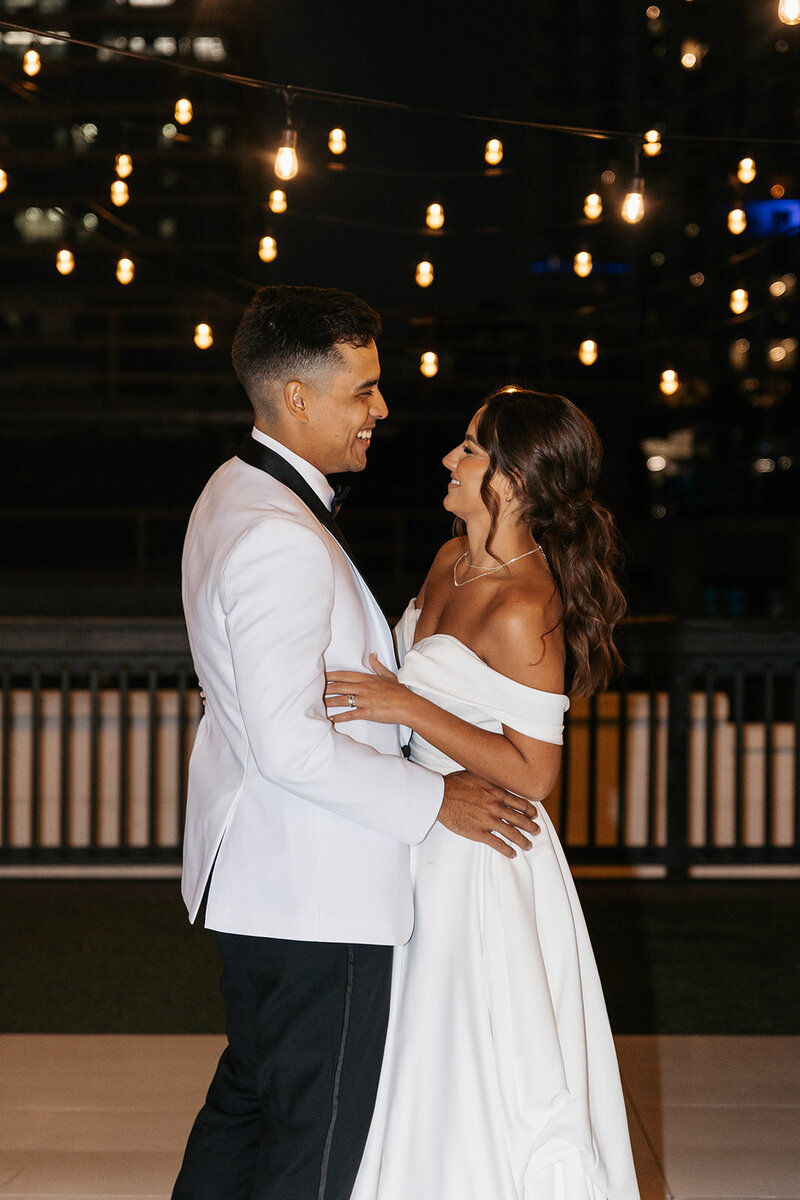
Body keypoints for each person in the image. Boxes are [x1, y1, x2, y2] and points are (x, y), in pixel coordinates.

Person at [172, 287, 540, 1200]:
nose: (382, 410)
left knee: (250, 1104)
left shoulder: (233, 491)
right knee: (315, 1141)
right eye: (363, 391)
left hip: (266, 875)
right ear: (297, 397)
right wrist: (436, 800)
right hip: (311, 888)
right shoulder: (275, 535)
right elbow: (289, 747)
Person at [325, 387, 641, 1200]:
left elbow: (536, 773)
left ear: (518, 481)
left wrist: (408, 705)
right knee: (411, 1051)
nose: (449, 459)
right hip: (423, 829)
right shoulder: (447, 560)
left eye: (470, 449)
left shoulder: (525, 604)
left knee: (474, 1053)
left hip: (485, 860)